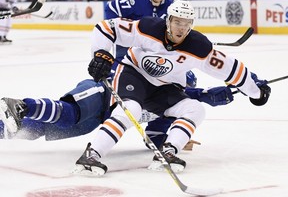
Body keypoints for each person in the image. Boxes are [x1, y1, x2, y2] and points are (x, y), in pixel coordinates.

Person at [73, 0, 271, 176]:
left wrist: (255, 91)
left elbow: (232, 69)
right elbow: (106, 27)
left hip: (165, 88)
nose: (181, 28)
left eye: (186, 24)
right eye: (177, 22)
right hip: (133, 75)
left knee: (195, 109)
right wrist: (100, 54)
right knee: (130, 108)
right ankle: (92, 155)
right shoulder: (147, 27)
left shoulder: (199, 47)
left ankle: (168, 152)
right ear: (168, 20)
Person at [0, 75, 234, 148]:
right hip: (102, 92)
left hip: (101, 118)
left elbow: (152, 138)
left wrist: (176, 140)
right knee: (69, 114)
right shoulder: (149, 82)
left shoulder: (169, 108)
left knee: (41, 129)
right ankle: (21, 105)